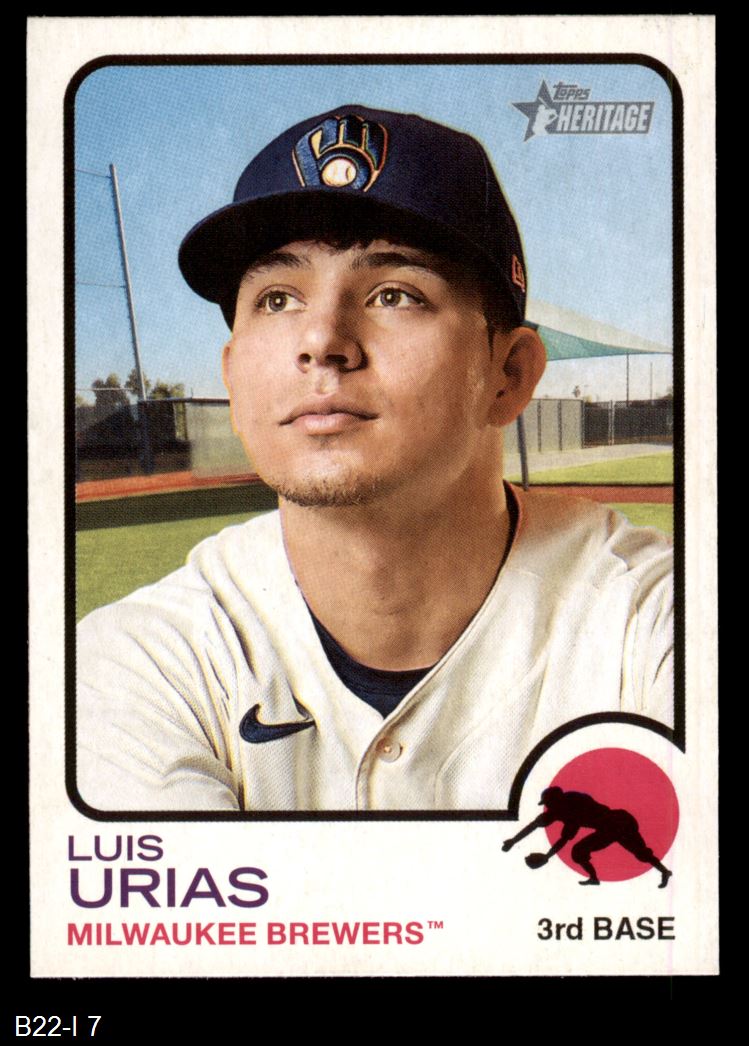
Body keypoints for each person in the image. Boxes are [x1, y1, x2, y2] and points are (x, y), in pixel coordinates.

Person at [76, 105, 673, 812]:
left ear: (508, 375)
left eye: (395, 294)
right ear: (233, 376)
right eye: (277, 299)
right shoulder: (140, 661)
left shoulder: (654, 622)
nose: (321, 340)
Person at [502, 786, 673, 887]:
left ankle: (664, 871)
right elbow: (535, 824)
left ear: (557, 801)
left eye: (549, 803)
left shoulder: (573, 807)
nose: (547, 807)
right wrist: (514, 841)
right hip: (612, 826)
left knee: (641, 853)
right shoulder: (561, 809)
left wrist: (547, 856)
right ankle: (594, 879)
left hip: (617, 823)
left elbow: (563, 839)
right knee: (579, 852)